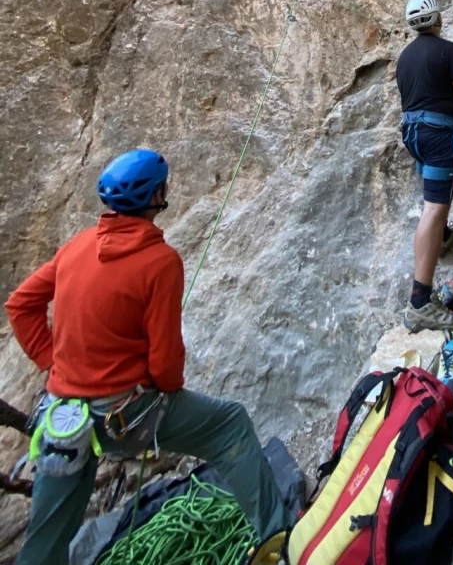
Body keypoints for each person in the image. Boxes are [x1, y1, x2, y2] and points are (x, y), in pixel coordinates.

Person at [5, 149, 288, 565]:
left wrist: (52, 363)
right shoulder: (160, 262)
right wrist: (163, 390)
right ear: (157, 195)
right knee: (230, 424)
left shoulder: (76, 247)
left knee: (46, 540)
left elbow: (20, 305)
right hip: (127, 414)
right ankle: (278, 539)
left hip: (63, 416)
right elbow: (166, 366)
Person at [396, 0, 453, 331]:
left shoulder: (404, 58)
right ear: (437, 19)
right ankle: (420, 302)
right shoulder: (449, 51)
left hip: (413, 135)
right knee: (434, 206)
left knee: (434, 200)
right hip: (438, 135)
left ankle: (441, 235)